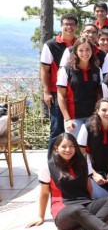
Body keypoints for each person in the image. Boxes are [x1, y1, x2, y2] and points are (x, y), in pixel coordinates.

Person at [27, 133, 108, 230]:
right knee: (77, 209)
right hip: (64, 212)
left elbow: (88, 185)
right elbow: (44, 193)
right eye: (64, 146)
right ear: (56, 148)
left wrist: (92, 205)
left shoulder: (84, 161)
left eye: (71, 146)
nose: (68, 150)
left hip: (84, 205)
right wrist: (40, 217)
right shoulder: (47, 166)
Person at [41, 13, 77, 154]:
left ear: (76, 26)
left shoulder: (79, 44)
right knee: (56, 129)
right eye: (66, 24)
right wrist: (46, 92)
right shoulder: (51, 45)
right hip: (57, 93)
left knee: (73, 129)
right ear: (61, 26)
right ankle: (52, 162)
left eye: (72, 24)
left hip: (75, 93)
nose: (69, 27)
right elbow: (44, 70)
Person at [78, 98, 108, 199]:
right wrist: (93, 174)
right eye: (104, 110)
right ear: (97, 111)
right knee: (101, 198)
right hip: (93, 171)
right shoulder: (86, 127)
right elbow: (81, 154)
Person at [57, 37, 103, 139]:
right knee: (75, 149)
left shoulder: (97, 70)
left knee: (91, 150)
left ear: (92, 51)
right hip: (74, 118)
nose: (85, 53)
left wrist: (99, 117)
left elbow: (100, 94)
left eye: (87, 49)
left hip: (92, 117)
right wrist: (67, 119)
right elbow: (60, 95)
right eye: (81, 50)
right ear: (75, 52)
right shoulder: (66, 70)